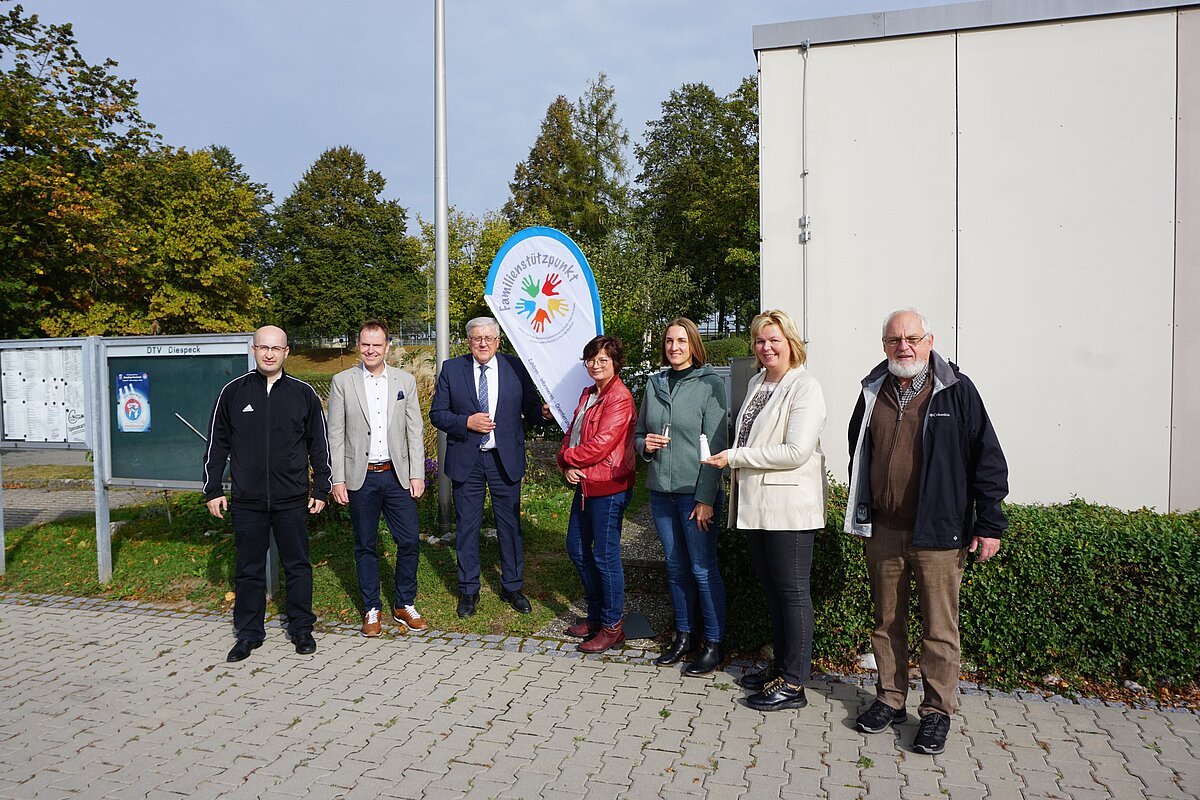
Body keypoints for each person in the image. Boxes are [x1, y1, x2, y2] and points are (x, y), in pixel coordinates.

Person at [846, 308, 1008, 755]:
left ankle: (937, 712)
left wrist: (989, 523)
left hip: (938, 533)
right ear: (884, 345)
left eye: (912, 338)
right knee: (886, 622)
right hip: (885, 529)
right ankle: (890, 699)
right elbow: (858, 450)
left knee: (939, 628)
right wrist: (862, 510)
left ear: (929, 341)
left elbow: (988, 458)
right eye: (894, 340)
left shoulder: (956, 390)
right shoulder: (873, 389)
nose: (904, 347)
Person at [704, 309, 826, 711]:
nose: (766, 347)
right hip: (758, 506)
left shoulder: (805, 386)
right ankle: (780, 667)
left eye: (774, 340)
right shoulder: (758, 382)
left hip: (789, 508)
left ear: (791, 343)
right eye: (760, 340)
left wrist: (735, 457)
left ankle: (793, 684)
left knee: (793, 594)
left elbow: (796, 451)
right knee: (774, 592)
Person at [202, 325, 332, 662]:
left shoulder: (303, 394)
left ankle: (301, 628)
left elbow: (319, 445)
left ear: (286, 352)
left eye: (276, 348)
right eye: (263, 347)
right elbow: (217, 445)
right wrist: (213, 488)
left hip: (292, 498)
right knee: (248, 568)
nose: (269, 354)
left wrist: (321, 487)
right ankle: (248, 633)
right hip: (248, 500)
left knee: (298, 565)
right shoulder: (233, 393)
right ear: (254, 350)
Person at [429, 317, 548, 618]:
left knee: (509, 526)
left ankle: (512, 587)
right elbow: (437, 414)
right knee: (467, 527)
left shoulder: (516, 367)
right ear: (468, 341)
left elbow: (531, 410)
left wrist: (545, 413)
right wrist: (465, 422)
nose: (482, 343)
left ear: (497, 341)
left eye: (488, 338)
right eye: (476, 338)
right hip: (466, 461)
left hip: (503, 460)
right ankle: (469, 590)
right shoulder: (452, 369)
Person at [635, 318, 729, 676]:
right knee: (675, 568)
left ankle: (714, 643)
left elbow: (717, 445)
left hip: (696, 494)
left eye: (681, 341)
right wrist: (645, 445)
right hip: (661, 492)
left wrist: (706, 498)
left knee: (702, 569)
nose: (674, 347)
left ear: (693, 345)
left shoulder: (710, 384)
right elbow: (638, 434)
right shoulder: (654, 383)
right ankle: (684, 636)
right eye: (669, 341)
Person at [327, 320, 426, 638]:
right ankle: (372, 607)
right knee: (365, 544)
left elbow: (414, 430)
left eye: (376, 344)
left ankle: (404, 603)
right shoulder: (342, 382)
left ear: (387, 346)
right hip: (361, 477)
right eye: (365, 344)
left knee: (409, 541)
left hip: (397, 476)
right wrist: (337, 479)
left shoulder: (404, 381)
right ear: (358, 346)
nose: (370, 350)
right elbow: (335, 434)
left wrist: (417, 473)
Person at [557, 335, 637, 654]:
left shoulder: (619, 398)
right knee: (577, 548)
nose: (596, 365)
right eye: (591, 360)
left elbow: (601, 445)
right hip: (587, 484)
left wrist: (567, 458)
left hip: (609, 486)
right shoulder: (589, 394)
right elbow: (572, 434)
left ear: (616, 363)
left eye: (603, 360)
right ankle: (595, 616)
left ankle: (612, 626)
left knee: (605, 556)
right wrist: (566, 463)